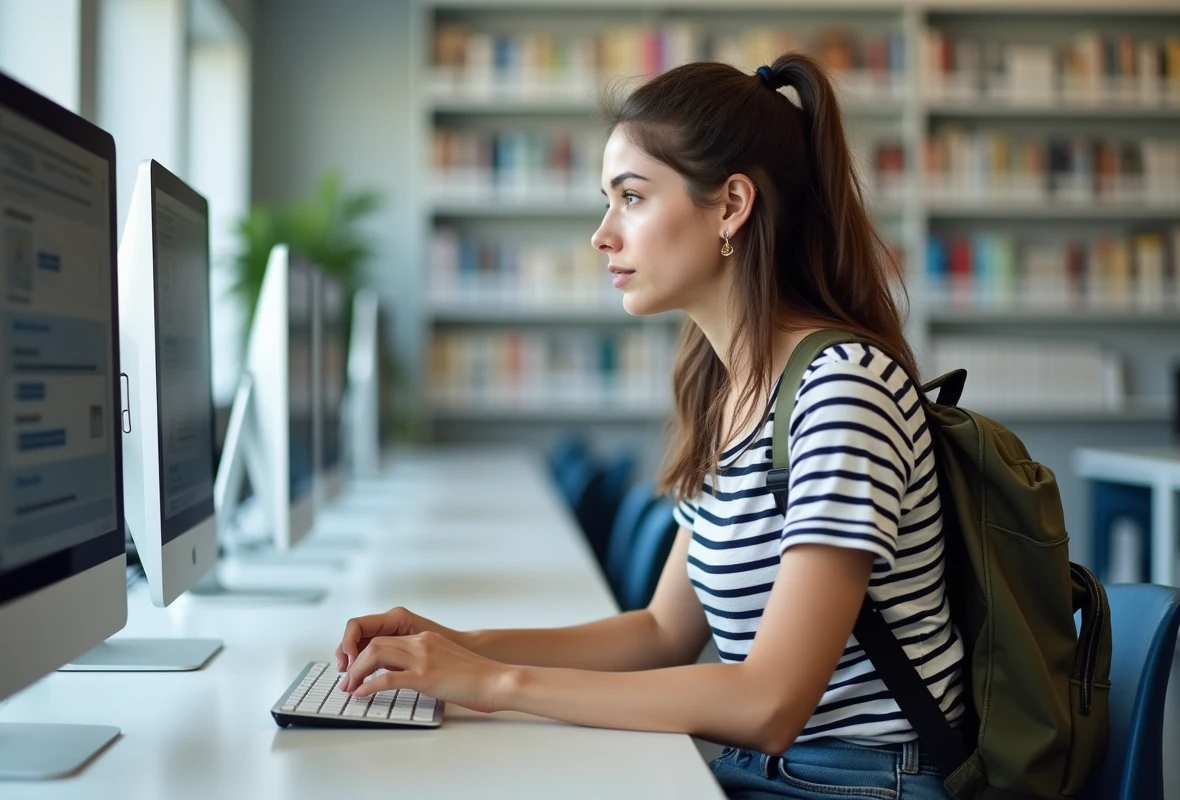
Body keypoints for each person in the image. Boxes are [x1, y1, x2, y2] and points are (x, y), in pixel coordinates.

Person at [335, 53, 963, 800]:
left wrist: (496, 683)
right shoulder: (731, 391)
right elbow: (663, 630)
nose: (603, 234)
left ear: (732, 205)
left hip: (860, 784)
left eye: (631, 197)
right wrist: (451, 648)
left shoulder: (842, 389)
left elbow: (769, 705)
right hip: (773, 775)